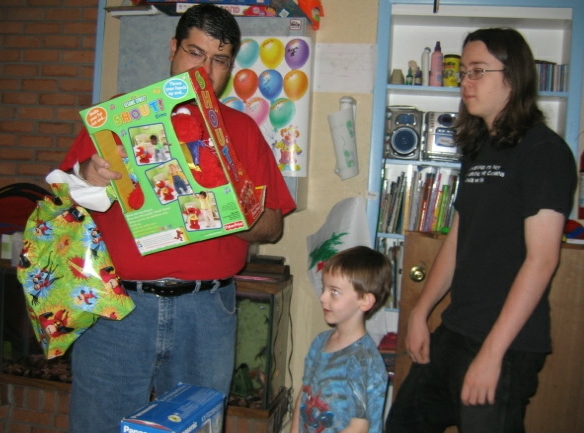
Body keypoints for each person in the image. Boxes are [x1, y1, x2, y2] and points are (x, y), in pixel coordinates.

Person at [59, 5, 296, 432]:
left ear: (230, 66)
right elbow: (61, 204)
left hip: (205, 311)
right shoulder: (116, 118)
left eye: (219, 60)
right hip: (118, 306)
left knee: (196, 426)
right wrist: (87, 176)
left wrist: (234, 209)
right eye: (194, 53)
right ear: (173, 49)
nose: (205, 71)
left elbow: (273, 227)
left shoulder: (242, 130)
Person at [386, 28, 577, 433]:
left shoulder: (545, 152)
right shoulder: (480, 149)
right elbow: (458, 239)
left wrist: (492, 353)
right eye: (463, 73)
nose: (465, 82)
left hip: (507, 344)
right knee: (403, 422)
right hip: (457, 328)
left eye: (477, 71)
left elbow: (542, 260)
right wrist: (421, 311)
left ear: (513, 77)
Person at [291, 246, 391, 433]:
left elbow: (359, 427)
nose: (322, 297)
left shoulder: (362, 360)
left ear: (365, 301)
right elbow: (305, 394)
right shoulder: (320, 342)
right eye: (324, 288)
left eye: (334, 291)